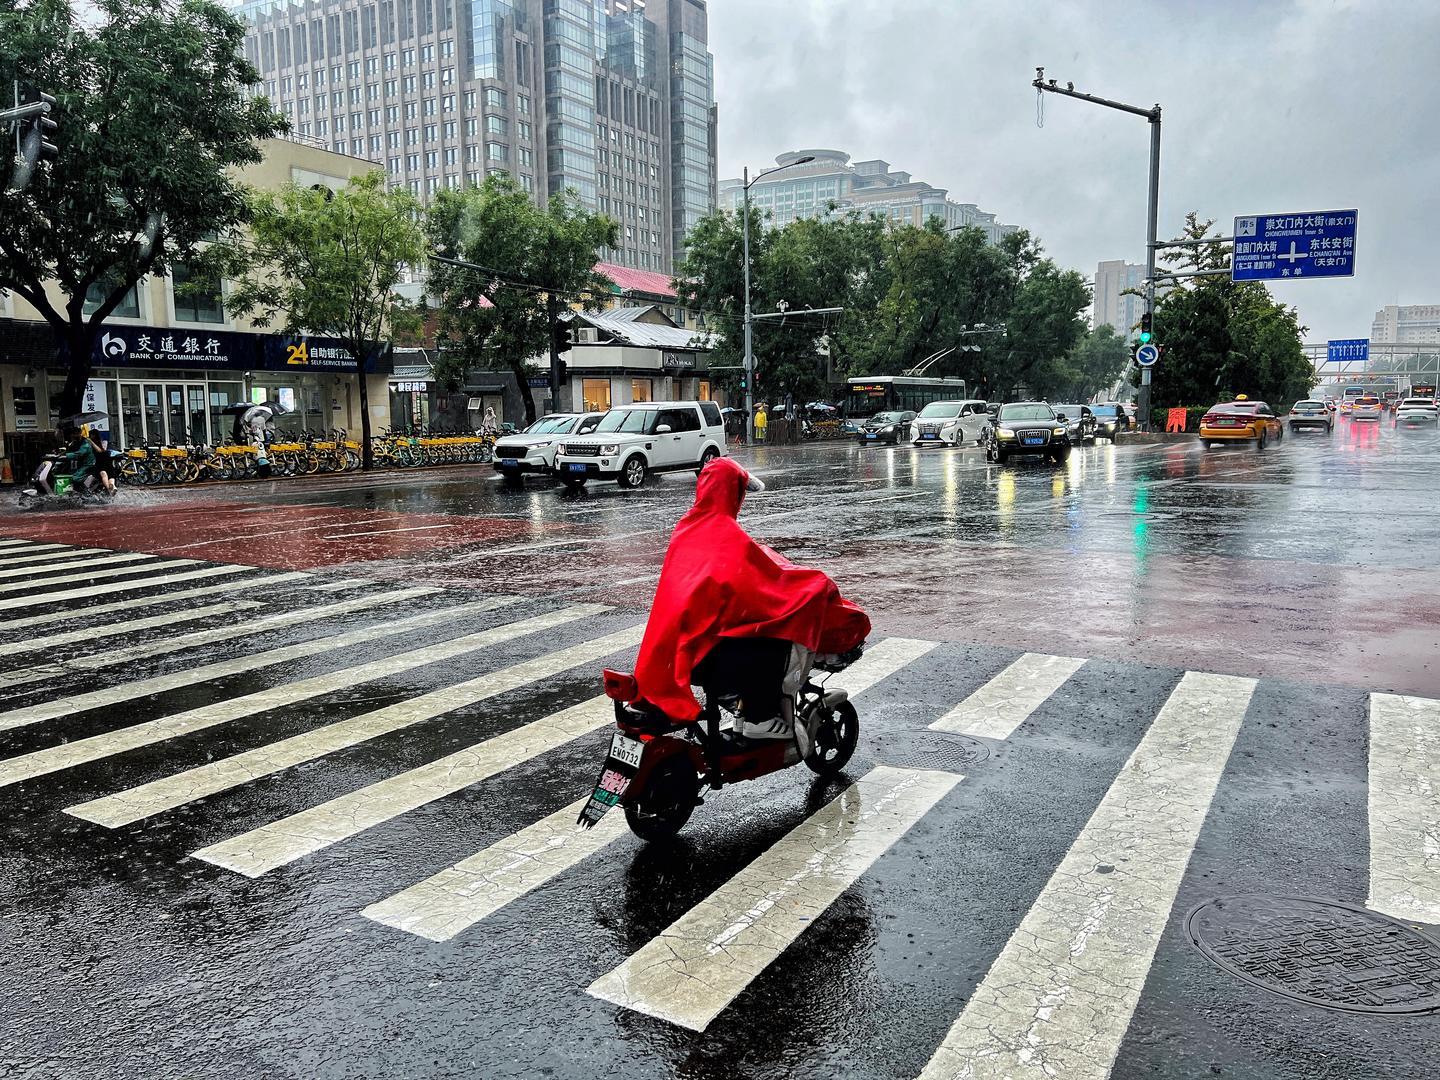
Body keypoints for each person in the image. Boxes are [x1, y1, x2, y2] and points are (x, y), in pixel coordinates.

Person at [633, 457, 870, 740]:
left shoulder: (687, 528)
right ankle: (759, 719)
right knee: (772, 643)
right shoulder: (726, 534)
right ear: (734, 493)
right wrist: (816, 584)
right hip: (703, 655)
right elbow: (765, 584)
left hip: (675, 653)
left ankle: (745, 712)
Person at [88, 428, 116, 495]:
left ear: (93, 435)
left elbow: (100, 451)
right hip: (107, 460)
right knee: (109, 474)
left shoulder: (99, 442)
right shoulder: (103, 441)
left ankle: (109, 489)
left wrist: (91, 442)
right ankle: (112, 486)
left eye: (91, 435)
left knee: (103, 473)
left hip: (100, 460)